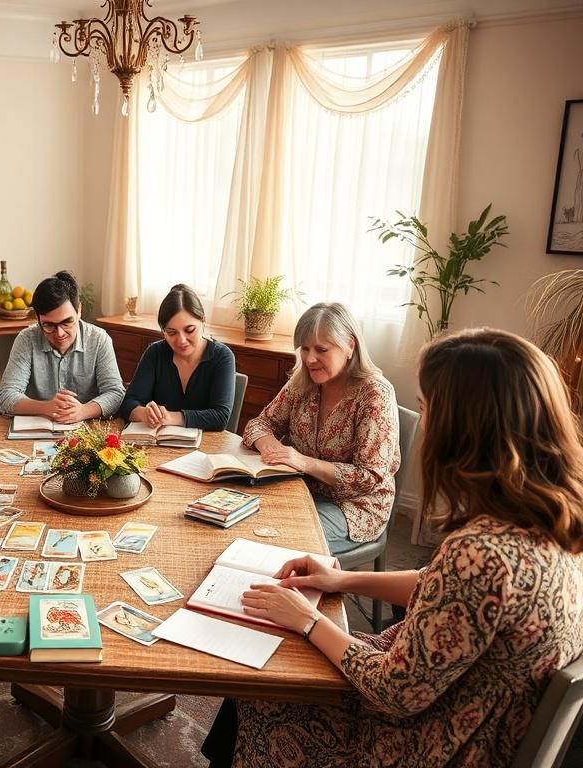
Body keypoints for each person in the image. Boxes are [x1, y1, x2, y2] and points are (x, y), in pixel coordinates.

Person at [224, 327, 583, 767]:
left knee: (264, 687)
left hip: (433, 740)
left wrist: (308, 620)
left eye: (428, 407)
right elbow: (437, 586)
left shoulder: (482, 554)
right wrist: (340, 578)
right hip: (463, 702)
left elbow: (396, 692)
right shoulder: (548, 519)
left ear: (465, 427)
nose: (423, 420)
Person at [242, 302, 399, 554]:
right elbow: (260, 424)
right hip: (299, 489)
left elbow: (369, 477)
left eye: (321, 349)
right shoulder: (302, 381)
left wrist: (302, 462)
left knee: (275, 542)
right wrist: (270, 445)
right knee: (241, 521)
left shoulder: (374, 394)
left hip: (354, 507)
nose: (309, 359)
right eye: (304, 349)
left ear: (350, 345)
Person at [0, 270, 124, 422]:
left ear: (79, 311)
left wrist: (83, 411)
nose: (60, 333)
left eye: (67, 322)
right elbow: (6, 397)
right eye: (49, 325)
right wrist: (46, 407)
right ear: (38, 319)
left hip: (86, 432)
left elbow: (115, 393)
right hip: (37, 429)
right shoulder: (26, 339)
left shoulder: (99, 339)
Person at [120, 284, 235, 430]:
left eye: (189, 330)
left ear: (203, 320)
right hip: (157, 446)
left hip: (207, 449)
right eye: (172, 332)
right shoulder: (155, 353)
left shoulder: (221, 357)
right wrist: (144, 413)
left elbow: (220, 417)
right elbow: (128, 404)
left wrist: (170, 417)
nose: (181, 340)